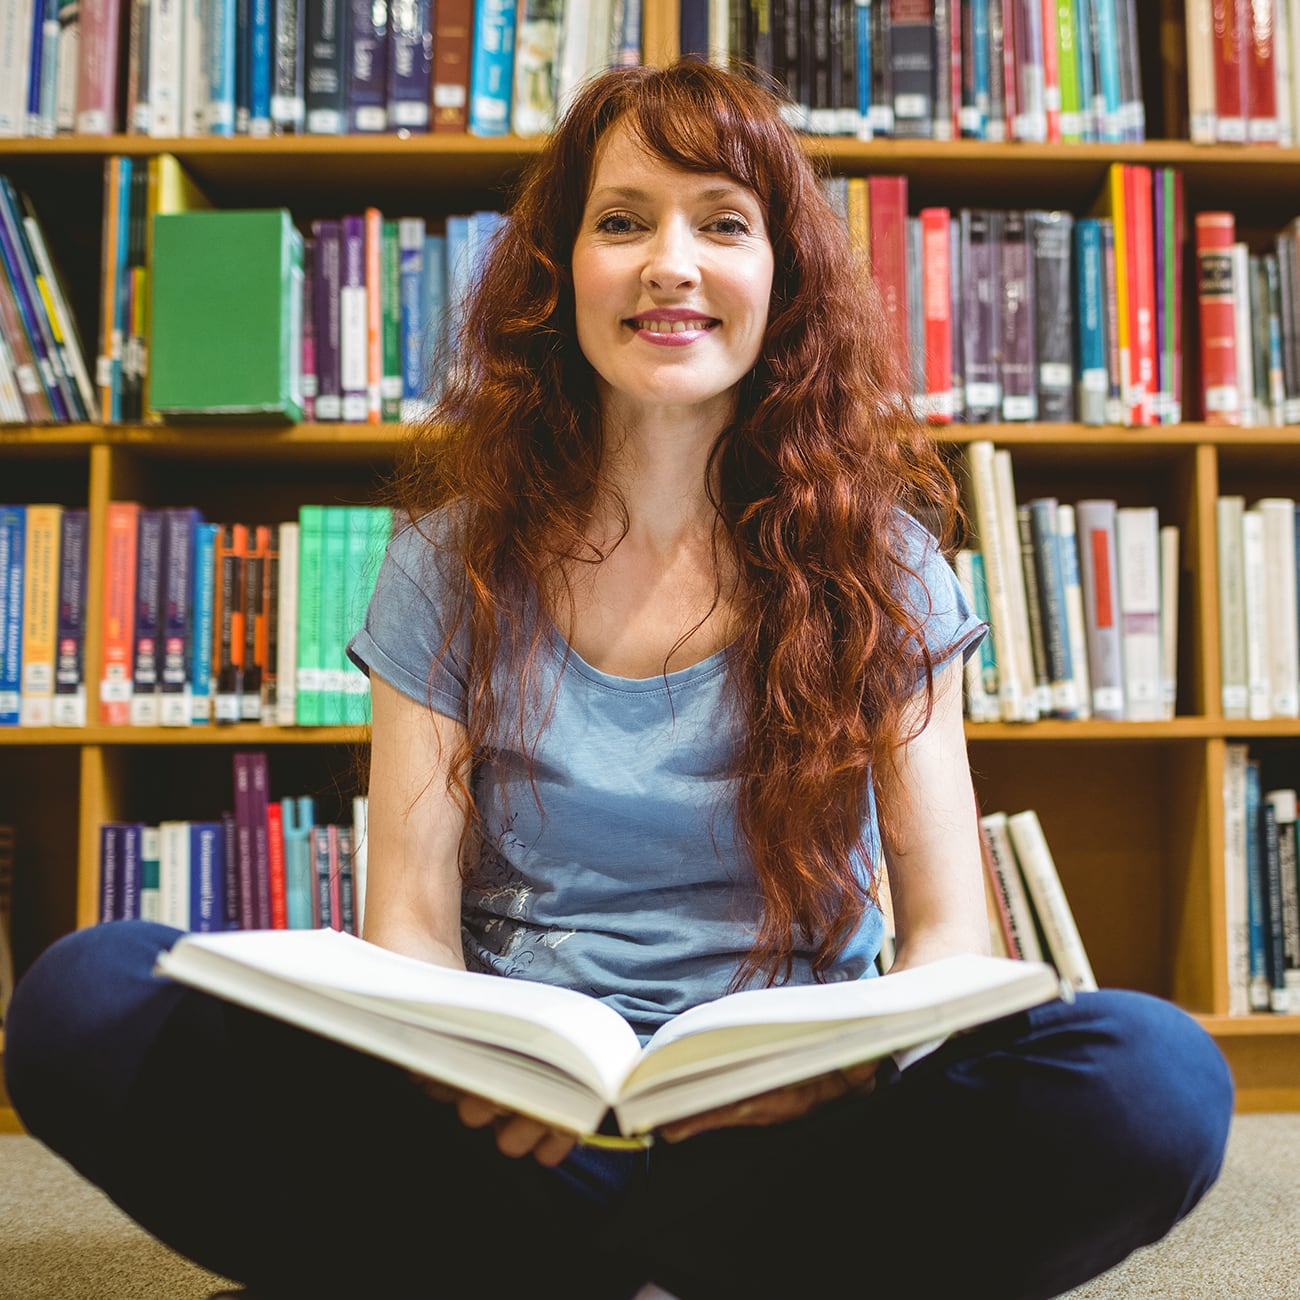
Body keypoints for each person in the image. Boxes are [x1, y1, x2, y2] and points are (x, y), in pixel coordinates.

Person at [5, 60, 1232, 1300]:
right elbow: (413, 927)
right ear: (560, 272)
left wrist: (836, 1068)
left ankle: (544, 1277)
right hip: (511, 1136)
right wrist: (469, 1067)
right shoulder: (449, 560)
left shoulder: (884, 561)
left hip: (793, 1132)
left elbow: (947, 933)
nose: (671, 264)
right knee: (86, 998)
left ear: (781, 281)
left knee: (1151, 1077)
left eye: (722, 222)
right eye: (623, 221)